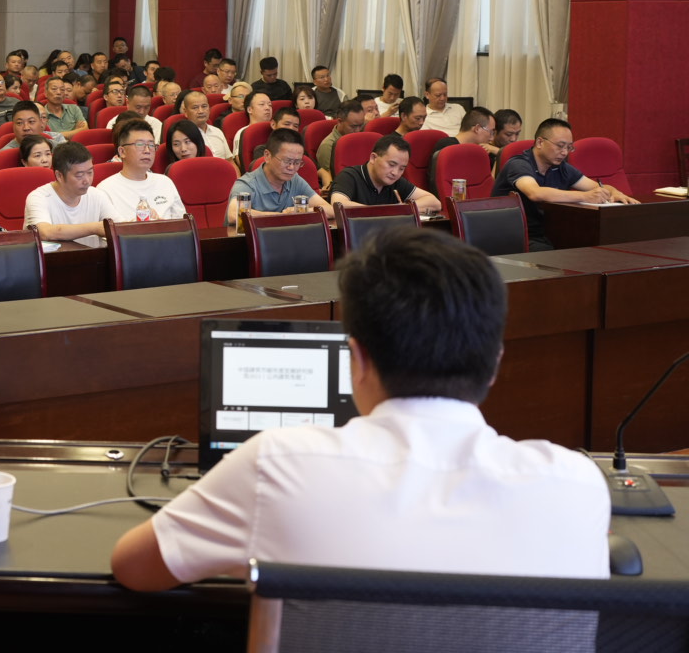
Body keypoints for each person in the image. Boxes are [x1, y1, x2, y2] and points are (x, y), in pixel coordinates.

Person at [110, 226, 609, 591]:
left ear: (357, 359)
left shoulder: (279, 464)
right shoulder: (576, 484)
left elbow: (133, 567)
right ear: (495, 362)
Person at [492, 117, 637, 251]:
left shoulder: (561, 168)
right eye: (560, 146)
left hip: (548, 232)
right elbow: (535, 193)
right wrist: (585, 196)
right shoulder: (519, 164)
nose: (564, 152)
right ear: (540, 142)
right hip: (514, 235)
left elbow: (596, 187)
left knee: (593, 244)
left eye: (569, 147)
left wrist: (614, 192)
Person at [226, 128, 331, 225]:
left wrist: (301, 211)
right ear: (267, 156)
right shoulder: (247, 184)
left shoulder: (295, 180)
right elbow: (233, 215)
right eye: (286, 161)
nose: (291, 167)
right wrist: (282, 217)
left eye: (297, 162)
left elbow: (330, 210)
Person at [94, 119, 185, 221]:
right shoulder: (105, 190)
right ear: (122, 152)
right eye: (140, 145)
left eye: (151, 145)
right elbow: (107, 230)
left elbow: (183, 224)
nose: (147, 151)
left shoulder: (165, 182)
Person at [329, 134, 442, 216]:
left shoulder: (396, 181)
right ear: (373, 158)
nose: (395, 173)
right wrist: (383, 212)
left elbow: (435, 203)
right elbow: (338, 204)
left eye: (402, 168)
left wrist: (401, 209)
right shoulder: (349, 176)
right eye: (391, 164)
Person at [23, 141, 111, 243]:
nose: (87, 180)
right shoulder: (38, 197)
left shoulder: (97, 195)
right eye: (79, 175)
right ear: (59, 176)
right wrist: (95, 228)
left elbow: (119, 227)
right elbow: (45, 232)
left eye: (90, 172)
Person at [428, 107, 500, 184]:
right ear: (477, 129)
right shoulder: (447, 147)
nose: (492, 138)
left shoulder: (484, 150)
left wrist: (499, 153)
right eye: (491, 132)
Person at [314, 98, 371, 188]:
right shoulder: (328, 145)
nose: (358, 130)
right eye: (353, 126)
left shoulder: (362, 139)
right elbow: (333, 179)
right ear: (340, 121)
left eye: (361, 125)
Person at [176, 89, 232, 162]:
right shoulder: (182, 136)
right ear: (186, 112)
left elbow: (230, 161)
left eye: (204, 106)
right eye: (195, 107)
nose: (201, 111)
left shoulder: (217, 131)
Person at [230, 88, 274, 156]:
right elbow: (239, 158)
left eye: (270, 105)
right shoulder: (243, 133)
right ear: (249, 109)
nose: (267, 108)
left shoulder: (276, 129)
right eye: (262, 104)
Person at [41, 75, 87, 140]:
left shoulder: (74, 108)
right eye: (54, 89)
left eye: (62, 89)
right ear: (45, 93)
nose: (59, 92)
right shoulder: (41, 114)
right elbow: (47, 138)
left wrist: (58, 135)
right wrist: (75, 130)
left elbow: (85, 129)